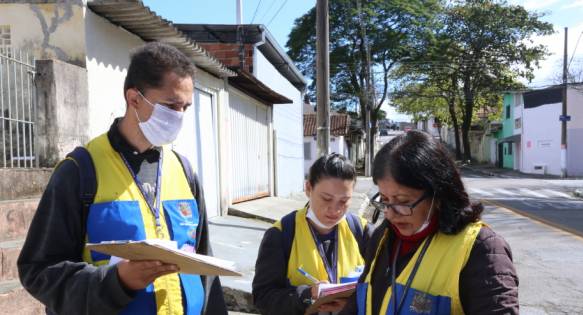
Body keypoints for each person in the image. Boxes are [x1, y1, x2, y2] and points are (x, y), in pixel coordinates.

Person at [17, 42, 227, 315]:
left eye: (185, 107)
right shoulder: (80, 170)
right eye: (171, 105)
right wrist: (118, 282)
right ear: (134, 98)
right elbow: (38, 271)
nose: (179, 117)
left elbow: (205, 271)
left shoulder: (183, 171)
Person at [340, 131, 519, 315]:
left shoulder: (481, 250)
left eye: (402, 201)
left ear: (437, 194)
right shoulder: (382, 237)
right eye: (384, 199)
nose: (391, 214)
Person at [253, 153, 374, 315]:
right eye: (326, 198)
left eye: (344, 201)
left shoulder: (362, 231)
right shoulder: (281, 234)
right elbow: (263, 298)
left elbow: (384, 290)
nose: (335, 210)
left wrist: (352, 304)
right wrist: (306, 295)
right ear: (308, 188)